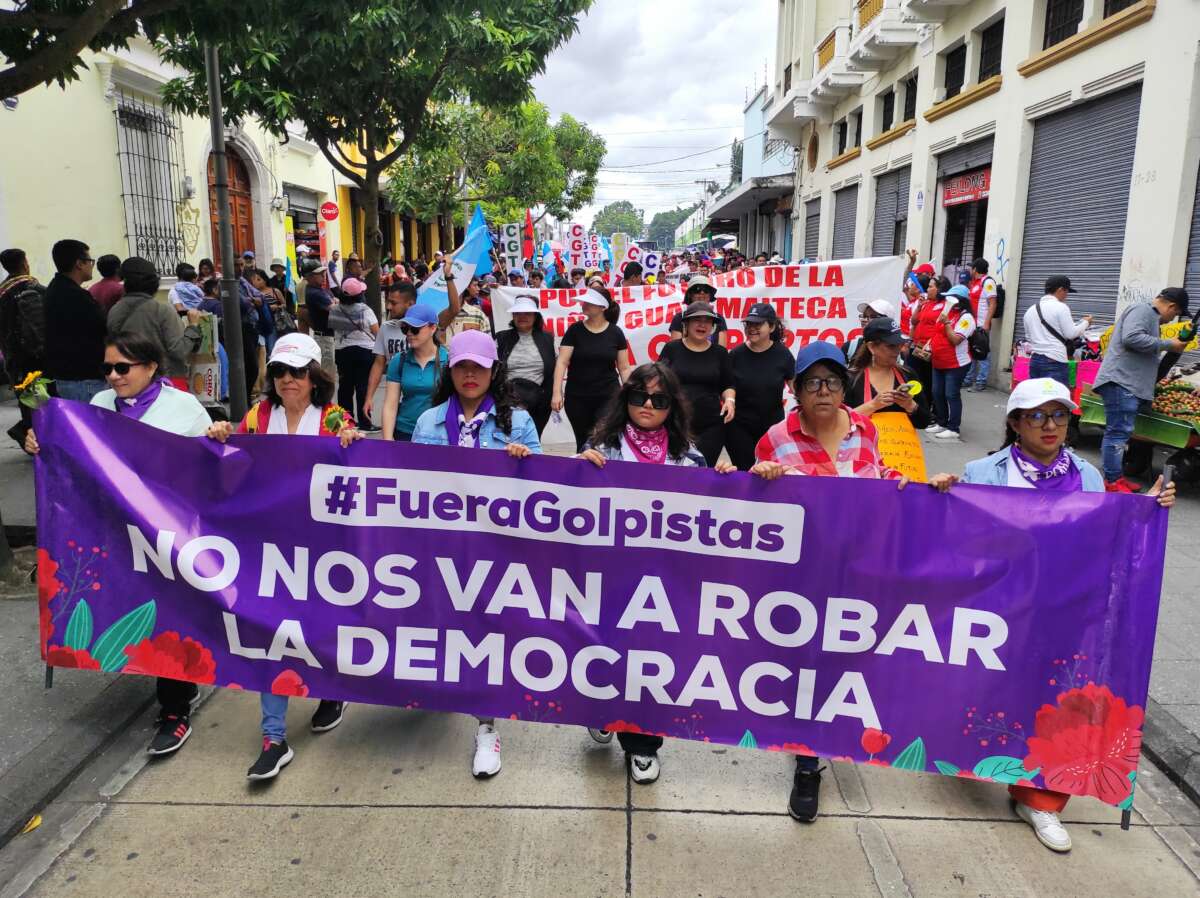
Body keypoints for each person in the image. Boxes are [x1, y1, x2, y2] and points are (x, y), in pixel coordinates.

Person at [927, 377, 1175, 852]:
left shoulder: (1087, 477)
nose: (1050, 425)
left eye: (1059, 415)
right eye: (1037, 415)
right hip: (999, 612)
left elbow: (1107, 537)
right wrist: (941, 496)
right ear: (1015, 423)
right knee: (988, 696)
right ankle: (964, 756)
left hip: (1064, 616)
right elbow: (958, 541)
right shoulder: (983, 472)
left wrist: (1147, 512)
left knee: (1058, 704)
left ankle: (1040, 799)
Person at [25, 333, 212, 756]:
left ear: (150, 367)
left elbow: (208, 470)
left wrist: (215, 439)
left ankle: (175, 709)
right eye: (107, 368)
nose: (112, 376)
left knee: (170, 613)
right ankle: (175, 689)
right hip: (115, 534)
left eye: (122, 368)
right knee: (132, 608)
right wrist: (42, 443)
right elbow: (77, 459)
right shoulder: (99, 407)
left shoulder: (183, 409)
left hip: (166, 534)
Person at [752, 341, 906, 823]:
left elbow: (879, 476)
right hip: (804, 575)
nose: (824, 391)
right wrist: (761, 479)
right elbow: (756, 511)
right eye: (813, 382)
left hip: (859, 569)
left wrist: (917, 487)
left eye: (833, 381)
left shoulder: (865, 428)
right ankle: (807, 761)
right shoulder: (775, 438)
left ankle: (834, 731)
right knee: (809, 664)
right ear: (795, 389)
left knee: (847, 659)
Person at [205, 332, 361, 780]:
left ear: (314, 376)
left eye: (296, 372)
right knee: (271, 632)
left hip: (322, 546)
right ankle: (273, 736)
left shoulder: (331, 417)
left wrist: (352, 438)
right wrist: (221, 432)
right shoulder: (259, 415)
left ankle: (330, 690)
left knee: (319, 626)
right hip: (269, 546)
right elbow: (235, 449)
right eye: (278, 372)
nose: (287, 380)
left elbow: (353, 453)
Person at [579, 362, 735, 783]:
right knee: (606, 652)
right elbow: (573, 508)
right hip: (610, 578)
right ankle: (602, 710)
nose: (647, 405)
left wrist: (722, 482)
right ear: (625, 399)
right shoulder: (603, 447)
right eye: (639, 396)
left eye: (659, 399)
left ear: (672, 407)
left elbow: (713, 519)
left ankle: (643, 744)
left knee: (650, 664)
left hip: (664, 585)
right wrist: (576, 470)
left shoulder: (690, 457)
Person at [412, 330, 540, 778]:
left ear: (494, 372)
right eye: (462, 366)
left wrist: (524, 463)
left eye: (479, 367)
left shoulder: (517, 421)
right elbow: (409, 485)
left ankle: (487, 727)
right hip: (442, 547)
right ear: (451, 370)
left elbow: (545, 488)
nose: (470, 374)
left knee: (486, 634)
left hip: (496, 548)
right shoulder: (429, 423)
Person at [1093, 287, 1190, 492]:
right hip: (1121, 381)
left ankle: (1116, 477)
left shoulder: (1151, 317)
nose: (1172, 319)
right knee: (1117, 433)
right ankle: (1112, 482)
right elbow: (1131, 338)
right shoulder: (1144, 310)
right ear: (1171, 306)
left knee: (1121, 433)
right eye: (1175, 314)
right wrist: (1168, 344)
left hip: (1128, 383)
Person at [552, 287, 631, 452]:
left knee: (602, 439)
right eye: (584, 301)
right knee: (583, 441)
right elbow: (562, 362)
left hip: (608, 395)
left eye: (590, 301)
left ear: (603, 307)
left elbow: (623, 367)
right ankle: (582, 475)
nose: (584, 304)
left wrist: (630, 392)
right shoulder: (574, 330)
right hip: (577, 397)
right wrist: (557, 392)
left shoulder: (616, 333)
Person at [658, 301, 735, 466]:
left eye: (707, 321)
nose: (702, 324)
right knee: (674, 473)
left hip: (710, 427)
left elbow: (728, 384)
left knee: (703, 472)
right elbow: (657, 380)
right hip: (674, 425)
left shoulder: (720, 353)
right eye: (696, 319)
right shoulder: (672, 349)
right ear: (686, 324)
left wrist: (730, 400)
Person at [724, 303, 794, 470]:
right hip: (739, 428)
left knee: (769, 473)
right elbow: (727, 385)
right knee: (745, 472)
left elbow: (796, 386)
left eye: (758, 324)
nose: (752, 329)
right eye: (749, 324)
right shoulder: (735, 355)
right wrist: (730, 400)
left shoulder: (783, 354)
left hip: (772, 429)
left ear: (771, 327)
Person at [44, 239, 106, 402]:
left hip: (66, 375)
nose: (91, 266)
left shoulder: (55, 289)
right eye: (90, 261)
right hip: (83, 379)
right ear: (79, 263)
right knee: (91, 425)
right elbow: (101, 328)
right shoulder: (75, 296)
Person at [847, 317, 931, 429]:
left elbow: (924, 422)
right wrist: (873, 405)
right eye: (891, 346)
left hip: (901, 445)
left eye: (900, 344)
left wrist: (910, 405)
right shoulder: (851, 379)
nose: (898, 350)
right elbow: (840, 422)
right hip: (864, 446)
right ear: (871, 347)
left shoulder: (908, 374)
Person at [382, 304, 449, 442]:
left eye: (415, 329)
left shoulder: (449, 360)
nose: (409, 333)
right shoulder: (399, 361)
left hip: (439, 434)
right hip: (404, 432)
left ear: (433, 328)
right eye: (405, 328)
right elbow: (390, 404)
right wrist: (388, 440)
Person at [0, 248, 45, 443]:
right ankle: (34, 437)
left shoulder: (3, 290)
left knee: (26, 402)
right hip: (33, 358)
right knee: (41, 403)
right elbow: (39, 327)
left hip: (12, 357)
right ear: (25, 263)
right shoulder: (31, 288)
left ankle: (28, 432)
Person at [496, 294, 556, 434]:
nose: (522, 317)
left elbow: (552, 369)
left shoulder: (547, 339)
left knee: (533, 438)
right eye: (517, 313)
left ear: (535, 316)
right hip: (508, 399)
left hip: (539, 401)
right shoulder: (501, 338)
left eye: (527, 313)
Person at [1022, 275, 1092, 388]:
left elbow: (1029, 338)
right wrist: (1086, 322)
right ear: (1060, 289)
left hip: (1035, 361)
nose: (1066, 295)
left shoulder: (1030, 310)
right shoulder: (1061, 307)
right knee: (1055, 402)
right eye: (1066, 291)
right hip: (1054, 360)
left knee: (1038, 400)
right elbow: (1071, 334)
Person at [328, 276, 379, 431]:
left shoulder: (335, 309)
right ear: (359, 295)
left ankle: (346, 423)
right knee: (363, 387)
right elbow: (377, 332)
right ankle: (365, 423)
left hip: (342, 352)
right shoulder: (365, 310)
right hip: (364, 352)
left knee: (345, 388)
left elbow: (332, 329)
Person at [362, 281, 416, 423]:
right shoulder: (385, 328)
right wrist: (369, 397)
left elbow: (453, 310)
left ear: (410, 304)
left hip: (417, 395)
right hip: (393, 394)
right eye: (388, 301)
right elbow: (379, 364)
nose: (388, 307)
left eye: (393, 303)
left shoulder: (424, 329)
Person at [928, 284, 976, 442]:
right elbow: (936, 332)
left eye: (953, 299)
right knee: (937, 393)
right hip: (939, 361)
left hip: (956, 364)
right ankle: (941, 422)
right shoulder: (948, 312)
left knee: (951, 394)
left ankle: (953, 428)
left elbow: (956, 340)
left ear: (961, 301)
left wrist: (947, 323)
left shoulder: (967, 318)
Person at [908, 275, 949, 401]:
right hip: (918, 346)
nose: (927, 289)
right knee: (914, 378)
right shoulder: (926, 303)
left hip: (930, 349)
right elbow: (914, 321)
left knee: (926, 380)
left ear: (939, 289)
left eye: (931, 287)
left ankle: (928, 408)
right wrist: (919, 306)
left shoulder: (945, 305)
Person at [965, 258, 999, 391]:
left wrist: (986, 323)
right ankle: (968, 379)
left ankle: (980, 382)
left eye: (971, 268)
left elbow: (993, 303)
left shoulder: (987, 282)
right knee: (972, 352)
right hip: (972, 324)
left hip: (981, 324)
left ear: (975, 269)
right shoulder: (975, 283)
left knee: (983, 353)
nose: (969, 270)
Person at [669, 275, 728, 347]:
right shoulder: (679, 318)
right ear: (690, 295)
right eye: (697, 290)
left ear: (710, 295)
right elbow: (675, 350)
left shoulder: (719, 318)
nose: (702, 292)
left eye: (706, 290)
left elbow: (722, 351)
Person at [303, 264, 337, 378]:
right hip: (324, 337)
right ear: (310, 277)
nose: (323, 276)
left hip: (328, 335)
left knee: (329, 369)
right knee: (326, 373)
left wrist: (334, 302)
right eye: (320, 274)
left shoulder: (321, 290)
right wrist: (334, 302)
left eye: (323, 273)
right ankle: (325, 395)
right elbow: (334, 308)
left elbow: (335, 300)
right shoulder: (314, 292)